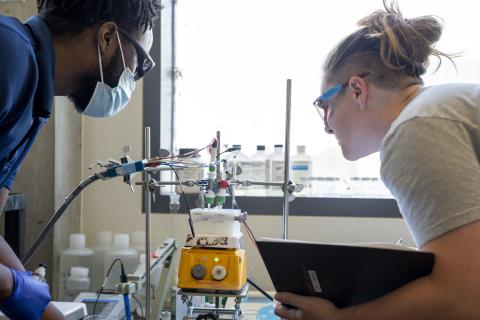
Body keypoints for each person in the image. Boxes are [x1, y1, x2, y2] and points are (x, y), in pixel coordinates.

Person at [275, 1, 480, 319]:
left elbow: (464, 299)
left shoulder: (418, 126)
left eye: (324, 104)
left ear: (357, 90)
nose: (326, 125)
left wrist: (338, 318)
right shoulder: (443, 108)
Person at [0, 0, 161, 319]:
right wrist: (13, 287)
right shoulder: (10, 56)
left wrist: (41, 307)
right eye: (137, 63)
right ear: (107, 37)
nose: (131, 78)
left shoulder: (33, 101)